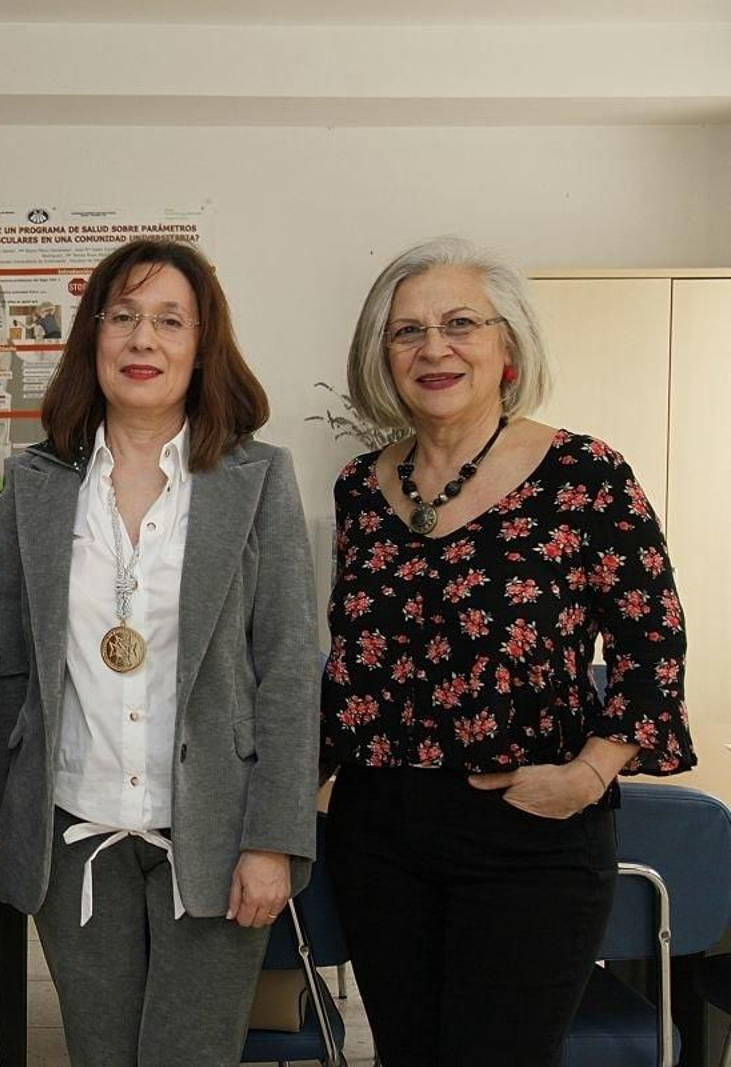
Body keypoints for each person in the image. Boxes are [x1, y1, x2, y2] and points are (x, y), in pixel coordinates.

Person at [320, 236, 694, 1066]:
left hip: (529, 827)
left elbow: (652, 642)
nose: (434, 348)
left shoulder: (585, 474)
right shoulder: (359, 487)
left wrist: (588, 774)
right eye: (406, 331)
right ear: (382, 356)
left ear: (508, 345)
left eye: (460, 323)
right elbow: (352, 665)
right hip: (379, 832)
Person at [0, 237, 321, 1066]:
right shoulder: (35, 481)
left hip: (213, 836)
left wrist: (273, 838)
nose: (142, 341)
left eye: (170, 320)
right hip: (72, 830)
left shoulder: (258, 477)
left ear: (202, 347)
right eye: (122, 316)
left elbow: (289, 666)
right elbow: (12, 663)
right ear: (92, 334)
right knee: (100, 1053)